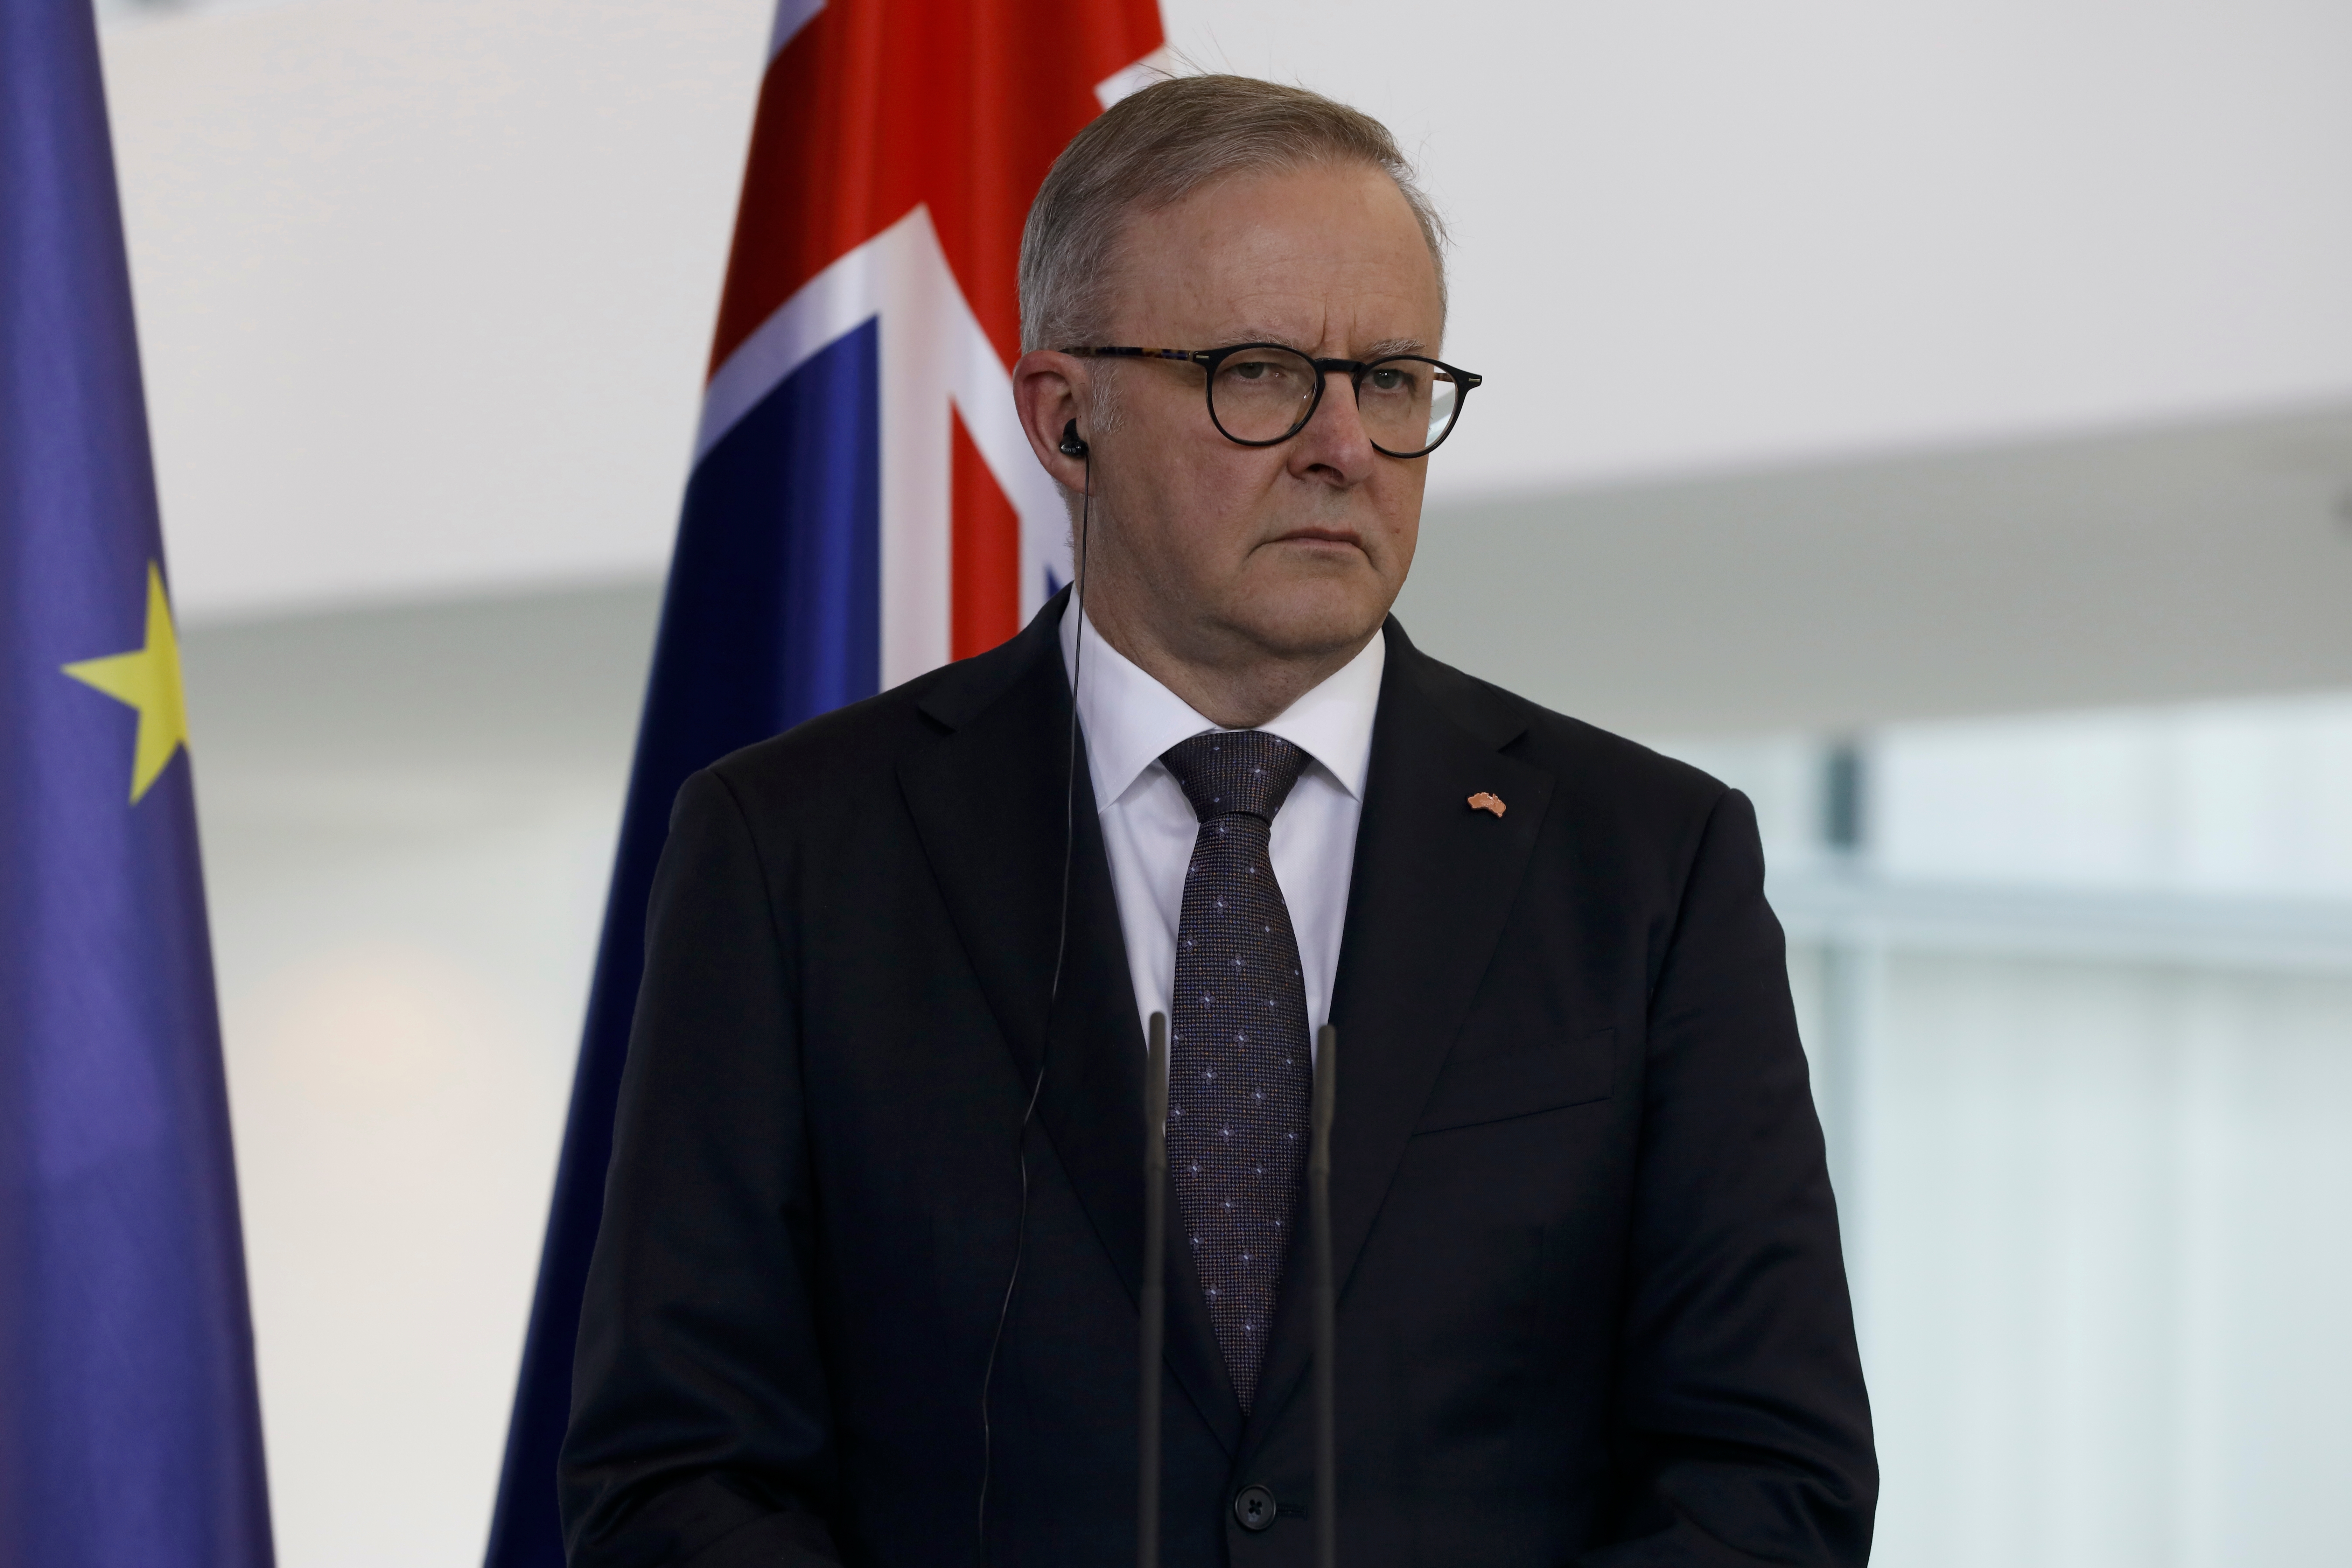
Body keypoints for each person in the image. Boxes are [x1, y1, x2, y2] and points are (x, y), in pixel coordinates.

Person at [561, 74, 1875, 1568]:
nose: (1345, 446)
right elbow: (678, 1472)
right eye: (1261, 373)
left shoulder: (1647, 861)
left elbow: (1768, 1474)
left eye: (1393, 380)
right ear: (1066, 418)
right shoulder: (794, 849)